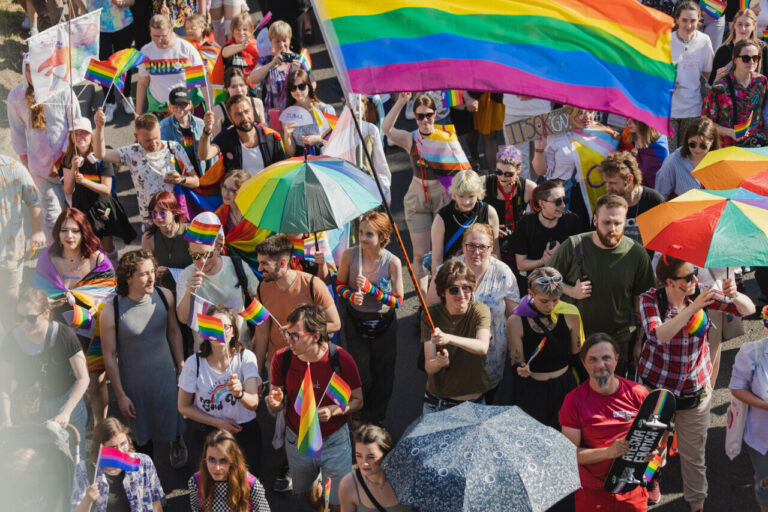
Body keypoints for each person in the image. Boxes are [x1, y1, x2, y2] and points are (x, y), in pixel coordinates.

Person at [639, 256, 755, 511]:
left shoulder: (703, 293)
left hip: (695, 390)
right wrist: (692, 309)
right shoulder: (651, 299)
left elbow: (749, 310)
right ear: (669, 281)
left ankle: (697, 505)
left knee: (694, 458)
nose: (695, 280)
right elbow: (658, 335)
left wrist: (735, 294)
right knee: (653, 450)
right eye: (688, 277)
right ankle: (649, 480)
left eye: (694, 274)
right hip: (658, 389)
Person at [267, 304, 363, 511]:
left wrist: (335, 411)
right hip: (298, 439)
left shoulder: (341, 359)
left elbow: (358, 400)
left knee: (339, 500)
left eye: (295, 335)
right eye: (287, 333)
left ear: (316, 336)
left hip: (334, 440)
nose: (288, 340)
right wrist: (275, 402)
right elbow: (276, 400)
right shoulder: (281, 358)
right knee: (309, 492)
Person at [548, 194, 655, 377]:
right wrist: (570, 290)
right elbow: (542, 280)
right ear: (595, 220)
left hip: (618, 342)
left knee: (613, 398)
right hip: (577, 340)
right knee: (580, 397)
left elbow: (644, 301)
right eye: (606, 222)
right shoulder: (573, 246)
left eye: (618, 223)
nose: (612, 229)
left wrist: (640, 342)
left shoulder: (636, 254)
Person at [100, 250, 187, 467]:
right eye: (143, 274)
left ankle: (177, 442)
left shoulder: (165, 296)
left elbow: (174, 332)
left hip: (165, 375)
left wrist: (181, 365)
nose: (151, 278)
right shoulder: (111, 311)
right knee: (141, 435)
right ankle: (147, 478)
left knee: (172, 416)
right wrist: (120, 395)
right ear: (128, 277)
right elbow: (109, 356)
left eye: (152, 272)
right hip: (135, 385)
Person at [33, 208, 116, 429]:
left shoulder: (98, 259)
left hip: (93, 330)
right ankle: (74, 417)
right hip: (60, 331)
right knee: (67, 380)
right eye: (64, 230)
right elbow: (37, 297)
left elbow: (110, 295)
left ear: (84, 232)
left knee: (96, 383)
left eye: (75, 231)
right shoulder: (47, 258)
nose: (69, 236)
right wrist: (50, 303)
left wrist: (93, 307)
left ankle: (100, 429)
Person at [382, 92, 471, 293]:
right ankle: (426, 303)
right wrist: (402, 102)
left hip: (443, 197)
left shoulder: (446, 136)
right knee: (420, 255)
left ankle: (445, 294)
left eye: (428, 115)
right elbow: (386, 129)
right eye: (420, 116)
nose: (424, 120)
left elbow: (462, 170)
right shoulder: (410, 138)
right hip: (417, 197)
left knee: (446, 253)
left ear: (435, 113)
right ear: (414, 117)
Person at [559, 333, 651, 512]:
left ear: (616, 360)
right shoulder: (573, 401)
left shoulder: (638, 394)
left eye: (606, 358)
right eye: (592, 359)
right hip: (592, 493)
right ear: (583, 363)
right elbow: (568, 455)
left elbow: (659, 440)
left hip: (632, 488)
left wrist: (649, 464)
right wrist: (608, 452)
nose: (600, 365)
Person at [427, 223, 519, 400]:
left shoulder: (503, 273)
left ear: (491, 248)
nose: (476, 252)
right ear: (463, 246)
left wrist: (516, 353)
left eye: (482, 247)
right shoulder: (446, 272)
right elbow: (432, 313)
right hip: (455, 355)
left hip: (493, 355)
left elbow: (513, 316)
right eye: (471, 246)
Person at [0, 288, 89, 456]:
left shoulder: (63, 334)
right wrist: (6, 419)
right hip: (31, 405)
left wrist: (66, 412)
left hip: (65, 400)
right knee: (35, 460)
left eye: (31, 318)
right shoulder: (12, 339)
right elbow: (4, 383)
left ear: (46, 314)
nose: (25, 323)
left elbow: (83, 378)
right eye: (20, 318)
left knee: (74, 459)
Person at [178, 305, 262, 475]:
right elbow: (183, 407)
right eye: (214, 326)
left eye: (226, 326)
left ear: (233, 331)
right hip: (206, 433)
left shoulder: (246, 358)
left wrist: (240, 393)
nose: (221, 331)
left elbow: (253, 403)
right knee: (211, 486)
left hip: (243, 431)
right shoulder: (193, 363)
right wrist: (218, 423)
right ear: (205, 331)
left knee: (244, 486)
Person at [336, 211, 404, 424]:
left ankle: (375, 419)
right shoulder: (349, 255)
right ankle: (358, 413)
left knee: (383, 375)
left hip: (384, 324)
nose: (363, 238)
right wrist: (350, 295)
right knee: (361, 373)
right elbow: (338, 286)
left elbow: (398, 301)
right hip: (355, 322)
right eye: (361, 233)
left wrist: (372, 291)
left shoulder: (392, 262)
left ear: (382, 238)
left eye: (369, 234)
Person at [8, 55, 80, 242]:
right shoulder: (16, 97)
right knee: (52, 217)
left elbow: (76, 125)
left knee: (75, 213)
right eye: (29, 70)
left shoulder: (64, 90)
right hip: (40, 170)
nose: (34, 75)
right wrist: (26, 165)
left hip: (69, 166)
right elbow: (17, 133)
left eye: (39, 70)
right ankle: (54, 257)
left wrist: (64, 159)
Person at [94, 109, 199, 224]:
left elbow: (196, 181)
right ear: (136, 136)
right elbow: (101, 154)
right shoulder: (131, 152)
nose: (153, 143)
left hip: (174, 218)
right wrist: (99, 128)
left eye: (156, 138)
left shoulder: (174, 148)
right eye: (148, 140)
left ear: (160, 129)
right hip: (150, 219)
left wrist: (181, 179)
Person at [253, 234, 341, 372]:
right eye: (259, 262)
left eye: (264, 264)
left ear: (282, 263)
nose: (259, 269)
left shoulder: (313, 285)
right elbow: (261, 334)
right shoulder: (261, 289)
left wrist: (300, 331)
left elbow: (335, 324)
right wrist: (256, 374)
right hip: (276, 365)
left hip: (311, 365)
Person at [507, 267, 579, 428]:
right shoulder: (516, 321)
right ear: (530, 294)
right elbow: (517, 360)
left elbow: (576, 355)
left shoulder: (570, 315)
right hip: (533, 391)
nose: (551, 306)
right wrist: (520, 369)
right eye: (544, 301)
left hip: (564, 388)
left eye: (556, 300)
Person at [176, 212, 260, 349]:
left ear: (219, 248)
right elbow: (183, 318)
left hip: (239, 348)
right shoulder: (186, 276)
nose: (202, 261)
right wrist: (189, 291)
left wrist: (259, 333)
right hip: (205, 354)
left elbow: (257, 298)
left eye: (207, 254)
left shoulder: (237, 266)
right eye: (195, 255)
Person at [61, 117, 136, 264]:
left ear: (91, 135)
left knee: (106, 243)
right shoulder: (68, 158)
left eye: (84, 133)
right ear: (70, 137)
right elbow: (68, 189)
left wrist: (85, 181)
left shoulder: (102, 157)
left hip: (102, 207)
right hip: (81, 206)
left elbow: (106, 189)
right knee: (88, 243)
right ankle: (96, 271)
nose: (80, 137)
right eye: (76, 133)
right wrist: (73, 168)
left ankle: (113, 267)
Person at [532, 106, 618, 231]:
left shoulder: (605, 134)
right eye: (580, 113)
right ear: (568, 112)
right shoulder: (556, 134)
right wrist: (539, 149)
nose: (587, 117)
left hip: (594, 196)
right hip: (564, 197)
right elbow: (541, 171)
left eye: (590, 111)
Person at [422, 260, 491, 413]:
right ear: (442, 293)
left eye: (466, 288)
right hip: (437, 405)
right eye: (453, 290)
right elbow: (429, 367)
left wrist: (449, 338)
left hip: (474, 405)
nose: (461, 295)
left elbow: (482, 347)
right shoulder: (431, 314)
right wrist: (439, 362)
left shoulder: (480, 310)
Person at [71, 417, 164, 512]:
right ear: (100, 448)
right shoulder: (84, 470)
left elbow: (155, 501)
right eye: (113, 447)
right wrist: (87, 499)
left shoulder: (143, 462)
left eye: (123, 443)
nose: (120, 451)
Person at [0, 154, 45, 331]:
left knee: (10, 299)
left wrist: (38, 231)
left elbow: (34, 200)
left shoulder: (13, 168)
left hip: (10, 251)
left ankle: (11, 338)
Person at [511, 180, 581, 292]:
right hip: (537, 284)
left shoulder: (572, 220)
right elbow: (521, 264)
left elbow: (578, 259)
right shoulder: (526, 223)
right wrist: (543, 260)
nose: (563, 205)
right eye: (558, 202)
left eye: (565, 200)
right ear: (542, 203)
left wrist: (562, 254)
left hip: (565, 281)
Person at [429, 169, 499, 276]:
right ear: (454, 194)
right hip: (454, 275)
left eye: (471, 196)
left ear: (479, 194)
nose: (466, 202)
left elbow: (495, 252)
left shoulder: (489, 213)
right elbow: (437, 260)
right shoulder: (442, 218)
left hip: (483, 273)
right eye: (461, 196)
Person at [136, 14, 206, 116]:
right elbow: (142, 83)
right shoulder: (146, 52)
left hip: (186, 108)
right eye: (155, 36)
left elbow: (200, 82)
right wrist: (138, 113)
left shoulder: (186, 49)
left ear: (171, 30)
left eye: (163, 36)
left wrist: (209, 108)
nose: (159, 40)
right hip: (160, 110)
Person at [199, 94, 286, 175]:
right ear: (230, 118)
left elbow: (282, 170)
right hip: (238, 191)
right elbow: (204, 155)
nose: (244, 118)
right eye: (238, 114)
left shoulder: (271, 136)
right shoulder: (227, 137)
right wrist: (206, 131)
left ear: (252, 111)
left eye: (247, 112)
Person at [703, 38, 768, 147]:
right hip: (727, 147)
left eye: (755, 58)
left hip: (756, 145)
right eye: (746, 58)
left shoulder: (762, 82)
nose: (751, 62)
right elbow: (706, 122)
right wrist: (730, 132)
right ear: (734, 59)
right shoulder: (719, 88)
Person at [729, 329, 768, 512]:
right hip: (762, 440)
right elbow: (737, 388)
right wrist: (764, 405)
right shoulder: (753, 352)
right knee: (765, 482)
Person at [668, 1, 714, 153]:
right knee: (669, 156)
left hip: (693, 108)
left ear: (699, 20)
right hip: (669, 108)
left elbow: (708, 73)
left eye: (693, 21)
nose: (688, 25)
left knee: (685, 154)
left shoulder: (704, 41)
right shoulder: (667, 40)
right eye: (684, 20)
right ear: (677, 20)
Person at [188, 429, 270, 512]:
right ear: (205, 458)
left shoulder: (252, 485)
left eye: (223, 460)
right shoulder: (195, 482)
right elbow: (196, 508)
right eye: (212, 459)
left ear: (233, 460)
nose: (217, 468)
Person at [338, 424, 413, 512]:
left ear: (386, 454)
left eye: (371, 457)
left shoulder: (407, 479)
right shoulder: (348, 485)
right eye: (359, 456)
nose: (364, 463)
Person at [484, 145, 535, 270]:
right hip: (490, 238)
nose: (502, 178)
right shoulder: (484, 184)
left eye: (508, 174)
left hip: (518, 240)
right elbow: (470, 214)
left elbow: (537, 220)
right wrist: (487, 227)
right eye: (499, 172)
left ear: (519, 170)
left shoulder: (529, 188)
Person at [598, 152, 663, 246]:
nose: (607, 188)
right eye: (606, 183)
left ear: (629, 179)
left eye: (612, 183)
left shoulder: (654, 201)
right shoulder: (604, 205)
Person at [655, 117, 718, 200]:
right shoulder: (673, 161)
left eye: (703, 146)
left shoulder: (719, 162)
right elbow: (660, 195)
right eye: (692, 144)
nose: (697, 149)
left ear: (712, 142)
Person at [141, 190, 192, 291]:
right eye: (153, 214)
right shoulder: (148, 237)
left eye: (163, 213)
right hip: (164, 290)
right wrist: (155, 272)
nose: (158, 218)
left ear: (173, 212)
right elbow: (146, 269)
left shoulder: (189, 231)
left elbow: (202, 264)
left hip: (189, 287)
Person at [159, 86, 215, 177]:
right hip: (178, 178)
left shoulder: (201, 125)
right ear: (170, 106)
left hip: (201, 175)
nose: (179, 108)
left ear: (190, 105)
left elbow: (211, 157)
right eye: (175, 104)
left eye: (183, 104)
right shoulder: (162, 128)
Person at [249, 21, 302, 112]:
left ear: (289, 39)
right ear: (271, 42)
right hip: (274, 114)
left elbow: (312, 85)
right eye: (277, 41)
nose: (281, 44)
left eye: (284, 40)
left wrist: (299, 74)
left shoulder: (299, 59)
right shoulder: (267, 60)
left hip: (296, 112)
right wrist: (270, 65)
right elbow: (252, 79)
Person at [282, 69, 337, 157]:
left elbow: (337, 139)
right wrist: (287, 135)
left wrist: (318, 139)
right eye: (293, 88)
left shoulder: (325, 109)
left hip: (324, 159)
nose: (297, 91)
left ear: (308, 86)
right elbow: (290, 153)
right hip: (302, 162)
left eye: (301, 86)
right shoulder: (288, 114)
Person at [709, 8, 768, 86]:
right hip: (729, 96)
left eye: (747, 25)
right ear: (734, 25)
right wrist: (717, 78)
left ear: (754, 26)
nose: (743, 28)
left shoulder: (762, 48)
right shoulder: (723, 50)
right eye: (740, 24)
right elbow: (712, 84)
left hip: (755, 96)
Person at [501, 94, 552, 179]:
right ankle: (525, 190)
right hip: (514, 112)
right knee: (517, 163)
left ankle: (532, 188)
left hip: (542, 111)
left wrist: (534, 92)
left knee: (541, 159)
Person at [212, 67, 266, 137]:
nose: (239, 90)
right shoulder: (218, 110)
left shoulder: (257, 103)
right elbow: (216, 143)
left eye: (241, 85)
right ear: (226, 89)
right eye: (233, 87)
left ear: (247, 86)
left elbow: (264, 132)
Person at [617, 118, 669, 189]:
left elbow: (659, 188)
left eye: (634, 119)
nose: (628, 122)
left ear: (645, 122)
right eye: (628, 117)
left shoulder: (658, 152)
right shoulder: (627, 135)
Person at [220, 13, 261, 86]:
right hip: (232, 87)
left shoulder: (257, 46)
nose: (241, 33)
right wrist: (241, 46)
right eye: (238, 30)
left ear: (251, 31)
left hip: (252, 88)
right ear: (232, 32)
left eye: (245, 29)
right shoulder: (229, 46)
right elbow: (224, 53)